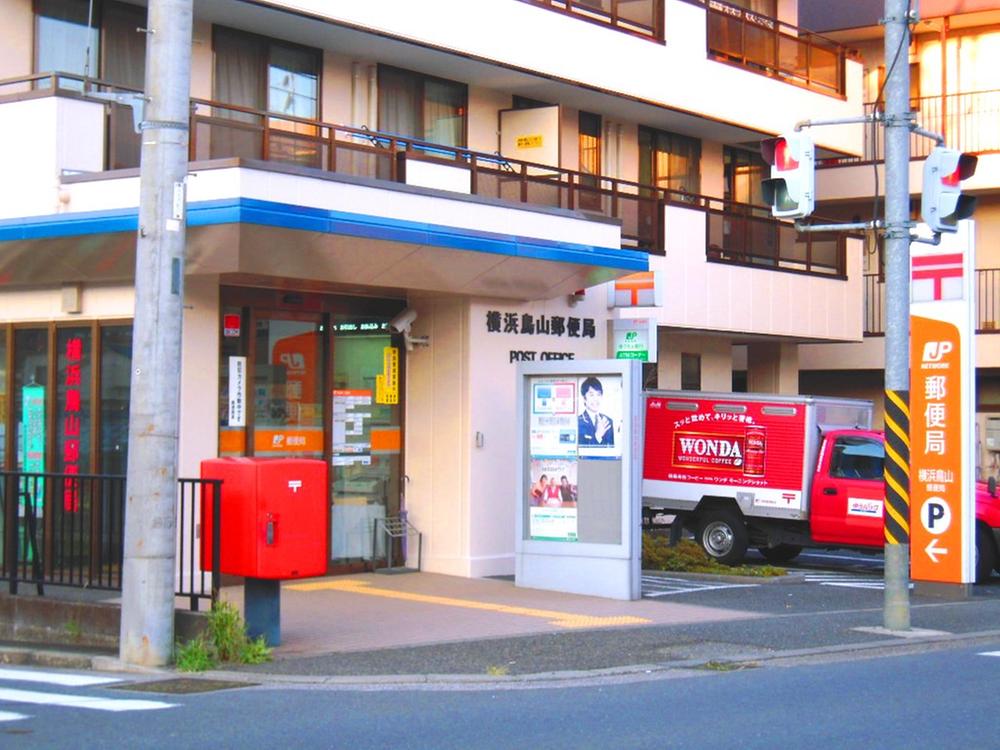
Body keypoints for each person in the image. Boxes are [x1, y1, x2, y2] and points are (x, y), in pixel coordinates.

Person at [578, 376, 614, 447]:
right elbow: (582, 455)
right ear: (584, 398)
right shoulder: (578, 422)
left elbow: (611, 451)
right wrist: (597, 435)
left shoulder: (608, 421)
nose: (596, 399)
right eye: (591, 395)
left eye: (598, 394)